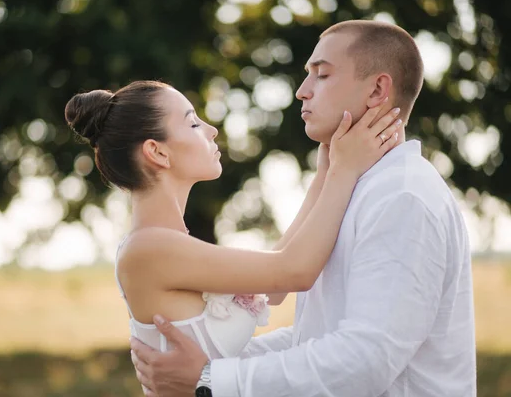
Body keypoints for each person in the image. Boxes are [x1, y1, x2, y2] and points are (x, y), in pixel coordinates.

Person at [130, 20, 477, 397]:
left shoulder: (401, 196)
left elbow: (365, 361)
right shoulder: (355, 188)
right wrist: (207, 368)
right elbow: (318, 336)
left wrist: (211, 379)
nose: (301, 91)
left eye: (322, 75)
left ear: (378, 89)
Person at [65, 76, 399, 377]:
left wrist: (327, 170)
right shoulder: (149, 249)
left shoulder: (166, 243)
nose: (211, 130)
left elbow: (276, 284)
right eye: (193, 124)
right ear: (158, 152)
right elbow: (295, 271)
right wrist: (347, 170)